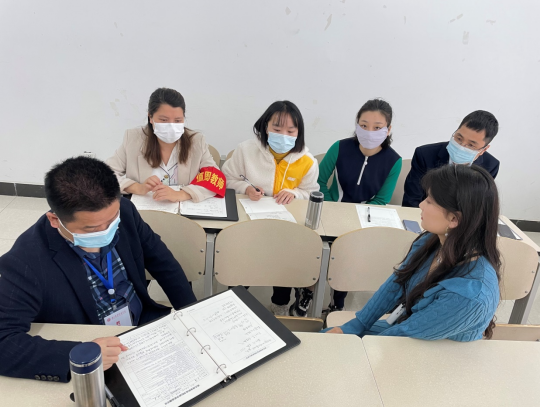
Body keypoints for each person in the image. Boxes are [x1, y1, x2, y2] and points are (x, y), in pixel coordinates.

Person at [0, 157, 197, 381]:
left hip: (142, 327)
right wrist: (82, 355)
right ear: (55, 220)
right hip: (92, 344)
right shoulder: (25, 262)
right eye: (92, 229)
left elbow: (163, 263)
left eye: (112, 221)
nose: (106, 232)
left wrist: (192, 314)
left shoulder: (125, 211)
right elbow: (4, 340)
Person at [324, 164, 501, 341]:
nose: (421, 204)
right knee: (327, 337)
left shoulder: (468, 295)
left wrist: (355, 343)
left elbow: (398, 339)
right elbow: (397, 282)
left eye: (430, 201)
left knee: (331, 347)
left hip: (433, 350)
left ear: (454, 218)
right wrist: (356, 325)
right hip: (407, 329)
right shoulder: (432, 241)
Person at [222, 100, 319, 316]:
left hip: (284, 228)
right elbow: (227, 180)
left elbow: (310, 192)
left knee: (283, 262)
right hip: (248, 223)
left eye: (290, 131)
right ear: (266, 127)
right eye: (277, 128)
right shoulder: (245, 150)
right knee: (244, 262)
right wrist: (246, 188)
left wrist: (294, 193)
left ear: (298, 132)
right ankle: (234, 300)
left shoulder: (307, 161)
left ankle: (280, 304)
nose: (283, 135)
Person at [318, 99, 402, 314]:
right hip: (331, 212)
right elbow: (319, 181)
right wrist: (332, 206)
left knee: (348, 258)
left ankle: (337, 302)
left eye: (377, 127)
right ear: (356, 125)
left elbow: (381, 199)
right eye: (364, 125)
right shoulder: (340, 147)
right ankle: (308, 292)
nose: (369, 132)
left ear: (388, 129)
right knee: (316, 251)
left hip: (363, 220)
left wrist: (354, 218)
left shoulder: (394, 161)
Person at [106, 87, 225, 203]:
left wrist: (181, 194)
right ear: (150, 117)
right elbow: (104, 175)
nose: (171, 126)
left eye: (177, 121)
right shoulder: (133, 139)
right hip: (144, 211)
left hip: (183, 211)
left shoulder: (196, 141)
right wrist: (137, 187)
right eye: (164, 120)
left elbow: (216, 178)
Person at [402, 110, 499, 208]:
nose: (461, 146)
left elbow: (477, 206)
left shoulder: (490, 166)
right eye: (459, 138)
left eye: (471, 145)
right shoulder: (425, 154)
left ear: (483, 150)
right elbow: (412, 201)